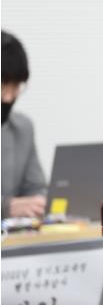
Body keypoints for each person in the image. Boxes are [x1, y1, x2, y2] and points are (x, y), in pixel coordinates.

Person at [1, 30, 47, 219]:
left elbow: (36, 187)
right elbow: (9, 207)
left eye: (16, 86)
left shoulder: (22, 128)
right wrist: (5, 208)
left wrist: (38, 203)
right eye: (3, 85)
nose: (8, 97)